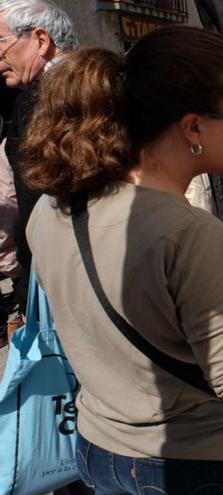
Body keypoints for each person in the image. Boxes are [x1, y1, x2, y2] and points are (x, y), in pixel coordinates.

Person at [22, 26, 223, 493]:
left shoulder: (54, 206)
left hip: (98, 446)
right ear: (193, 128)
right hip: (199, 463)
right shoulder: (192, 237)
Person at [0, 0, 77, 313]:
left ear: (41, 40)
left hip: (60, 280)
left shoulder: (39, 101)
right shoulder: (97, 84)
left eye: (1, 44)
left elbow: (30, 200)